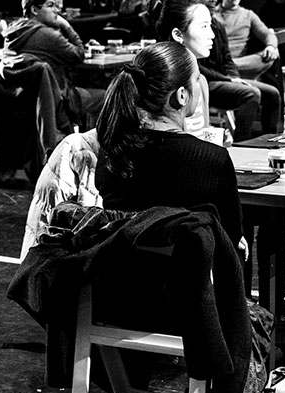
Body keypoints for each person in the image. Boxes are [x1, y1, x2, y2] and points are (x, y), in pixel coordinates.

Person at [92, 40, 243, 251]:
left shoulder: (113, 149)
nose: (201, 83)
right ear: (182, 96)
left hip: (119, 276)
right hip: (186, 280)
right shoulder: (212, 158)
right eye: (197, 78)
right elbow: (231, 235)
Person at [184, 0, 279, 140]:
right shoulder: (191, 27)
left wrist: (234, 77)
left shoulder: (218, 26)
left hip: (224, 79)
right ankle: (243, 141)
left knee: (272, 93)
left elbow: (227, 58)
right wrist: (229, 79)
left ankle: (269, 138)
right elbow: (197, 67)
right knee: (251, 93)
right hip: (205, 82)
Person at [3, 0, 103, 129]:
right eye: (50, 6)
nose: (56, 11)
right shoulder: (47, 35)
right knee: (105, 96)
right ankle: (88, 146)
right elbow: (78, 54)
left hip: (23, 101)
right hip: (57, 100)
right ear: (34, 10)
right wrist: (67, 25)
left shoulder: (12, 34)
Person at [156, 0, 219, 135]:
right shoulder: (162, 87)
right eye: (204, 27)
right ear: (178, 35)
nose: (212, 35)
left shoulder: (201, 81)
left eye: (210, 25)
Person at [212, 0, 279, 80]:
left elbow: (266, 34)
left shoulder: (248, 15)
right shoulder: (212, 15)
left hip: (242, 62)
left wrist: (270, 46)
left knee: (271, 55)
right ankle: (227, 68)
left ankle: (230, 67)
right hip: (220, 59)